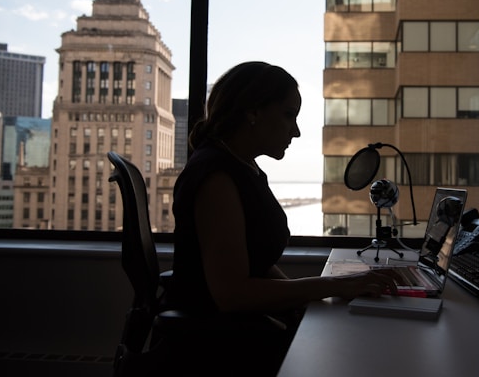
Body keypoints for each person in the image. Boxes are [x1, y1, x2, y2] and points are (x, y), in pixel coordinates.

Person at [162, 61, 399, 376]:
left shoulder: (244, 167)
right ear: (253, 111)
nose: (296, 131)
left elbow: (255, 263)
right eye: (289, 115)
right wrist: (330, 286)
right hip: (219, 347)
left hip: (238, 330)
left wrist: (306, 300)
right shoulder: (216, 177)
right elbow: (231, 294)